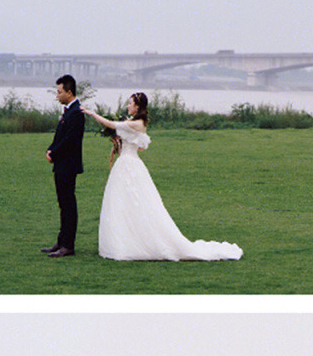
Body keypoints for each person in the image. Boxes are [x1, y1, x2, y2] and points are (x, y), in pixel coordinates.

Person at [81, 93, 242, 262]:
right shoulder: (135, 122)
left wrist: (92, 114)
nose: (128, 106)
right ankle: (125, 239)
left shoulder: (136, 123)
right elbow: (136, 145)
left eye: (130, 104)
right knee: (122, 201)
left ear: (137, 106)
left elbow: (111, 124)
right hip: (126, 163)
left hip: (129, 165)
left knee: (132, 201)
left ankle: (132, 242)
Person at [42, 74, 85, 257]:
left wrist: (55, 153)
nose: (57, 95)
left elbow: (70, 141)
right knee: (63, 203)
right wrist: (50, 149)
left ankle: (68, 245)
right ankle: (61, 241)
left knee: (68, 204)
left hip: (68, 165)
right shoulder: (67, 111)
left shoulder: (77, 113)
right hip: (60, 163)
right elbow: (59, 136)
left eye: (59, 92)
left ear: (69, 92)